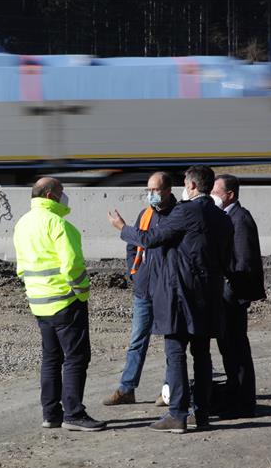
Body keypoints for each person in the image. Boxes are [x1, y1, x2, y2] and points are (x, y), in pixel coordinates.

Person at [108, 165, 233, 433]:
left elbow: (151, 239)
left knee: (175, 353)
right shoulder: (221, 216)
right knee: (202, 355)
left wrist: (122, 228)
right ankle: (201, 413)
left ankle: (177, 414)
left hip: (180, 296)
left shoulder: (185, 212)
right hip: (209, 295)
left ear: (191, 186)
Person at [13, 177, 106, 432]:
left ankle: (51, 413)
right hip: (65, 301)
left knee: (51, 359)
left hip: (39, 303)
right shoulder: (59, 225)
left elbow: (21, 267)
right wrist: (82, 292)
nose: (65, 196)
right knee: (76, 358)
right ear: (51, 195)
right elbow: (73, 265)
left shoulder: (22, 223)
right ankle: (74, 413)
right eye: (62, 192)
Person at [102, 172, 177, 407]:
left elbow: (151, 239)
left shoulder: (178, 215)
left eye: (154, 190)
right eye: (148, 190)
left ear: (167, 190)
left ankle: (169, 390)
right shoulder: (145, 214)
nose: (150, 195)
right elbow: (134, 246)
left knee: (171, 342)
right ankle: (127, 388)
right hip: (144, 288)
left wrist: (123, 227)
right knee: (137, 340)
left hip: (166, 290)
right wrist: (133, 272)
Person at [211, 174, 266, 419]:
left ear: (230, 194)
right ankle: (235, 398)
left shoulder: (239, 219)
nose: (212, 195)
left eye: (216, 191)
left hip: (234, 297)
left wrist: (229, 289)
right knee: (229, 350)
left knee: (236, 350)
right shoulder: (227, 217)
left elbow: (243, 262)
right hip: (227, 296)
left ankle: (243, 403)